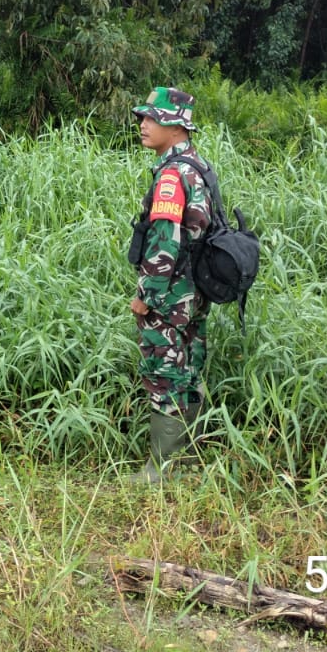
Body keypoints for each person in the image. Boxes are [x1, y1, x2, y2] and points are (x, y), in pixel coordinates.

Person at [128, 86, 212, 481]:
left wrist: (147, 296)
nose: (143, 124)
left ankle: (160, 470)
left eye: (151, 118)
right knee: (189, 372)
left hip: (170, 296)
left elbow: (165, 242)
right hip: (196, 292)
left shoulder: (172, 175)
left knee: (165, 375)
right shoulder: (198, 167)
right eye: (143, 117)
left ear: (177, 126)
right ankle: (186, 463)